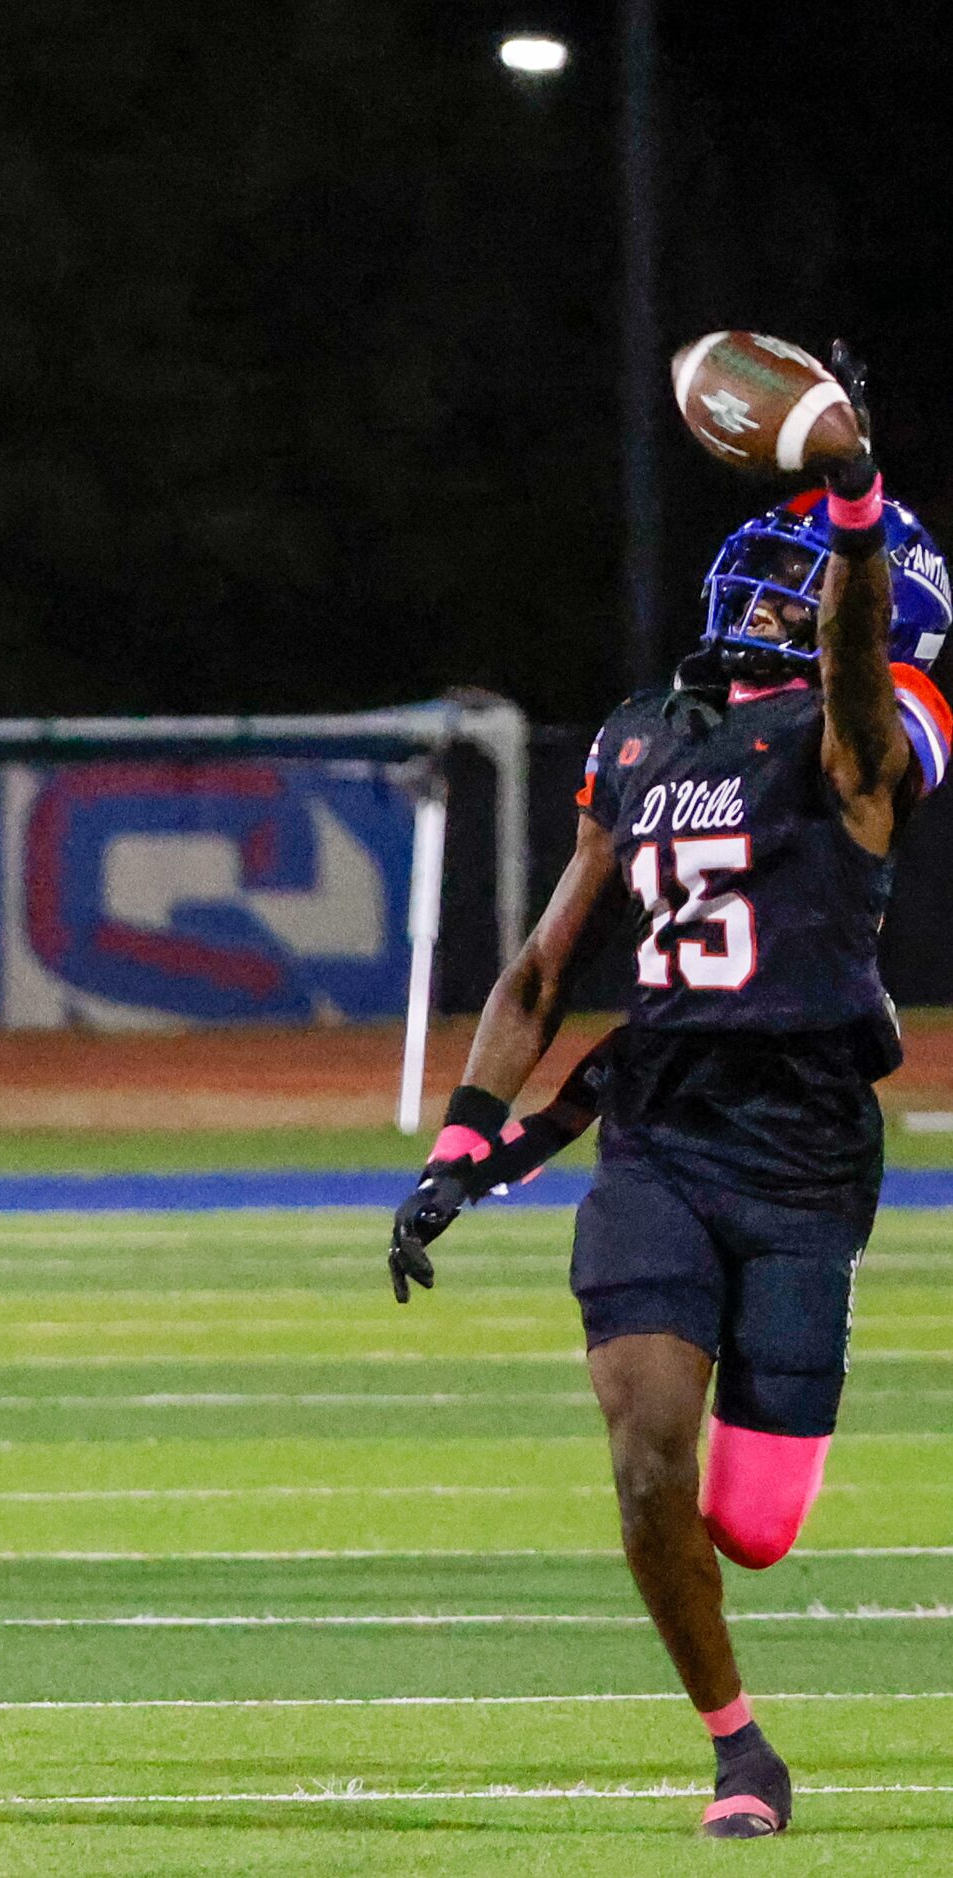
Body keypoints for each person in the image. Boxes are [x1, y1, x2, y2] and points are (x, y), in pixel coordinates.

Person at [392, 353, 953, 1838]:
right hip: (656, 1134)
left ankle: (739, 1646)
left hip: (809, 1148)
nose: (763, 594)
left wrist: (850, 504)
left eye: (804, 577)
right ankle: (739, 1747)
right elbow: (545, 963)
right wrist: (465, 1133)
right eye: (771, 569)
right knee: (646, 1451)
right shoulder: (640, 735)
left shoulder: (868, 731)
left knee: (753, 1527)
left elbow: (848, 662)